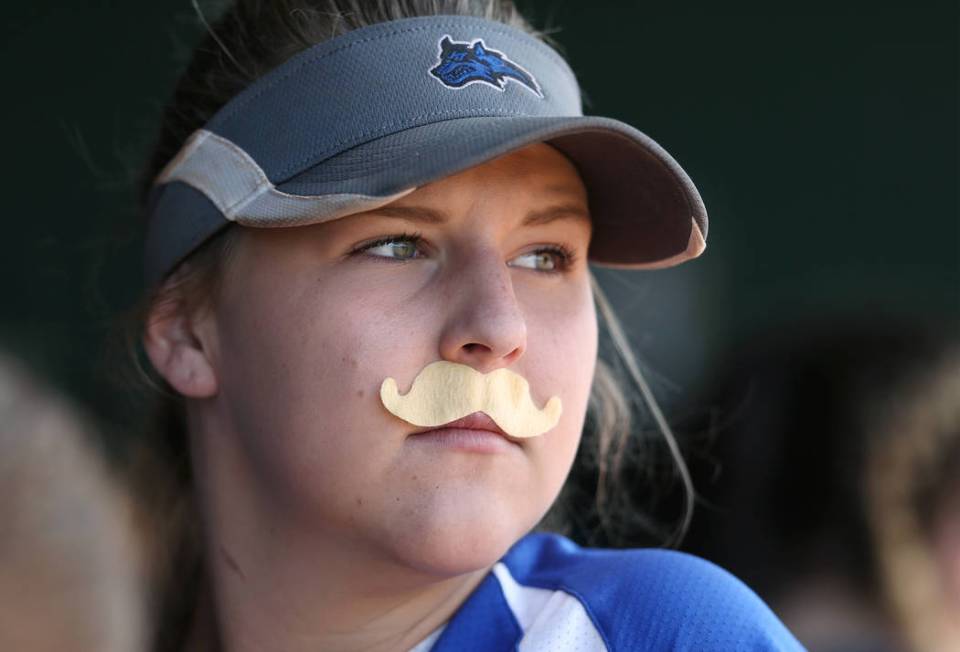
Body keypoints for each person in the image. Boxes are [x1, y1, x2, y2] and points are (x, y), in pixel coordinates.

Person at [120, 1, 805, 650]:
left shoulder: (664, 636)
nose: (499, 327)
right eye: (396, 244)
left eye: (545, 256)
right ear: (186, 329)